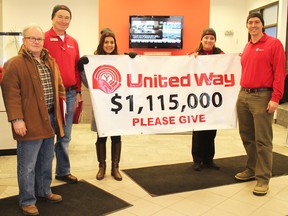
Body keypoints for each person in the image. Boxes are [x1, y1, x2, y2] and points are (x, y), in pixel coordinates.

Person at [1, 25, 65, 216]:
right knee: (27, 165)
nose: (36, 42)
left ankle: (44, 191)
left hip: (51, 119)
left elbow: (59, 86)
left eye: (40, 39)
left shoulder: (50, 62)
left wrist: (63, 109)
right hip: (29, 122)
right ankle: (27, 200)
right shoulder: (14, 64)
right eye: (32, 38)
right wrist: (17, 119)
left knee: (46, 160)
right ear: (24, 40)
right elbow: (10, 94)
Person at [235, 13, 286, 196]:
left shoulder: (274, 44)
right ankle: (251, 169)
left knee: (263, 140)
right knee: (247, 136)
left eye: (257, 22)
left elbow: (280, 73)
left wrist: (276, 97)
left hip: (262, 96)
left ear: (262, 26)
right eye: (250, 22)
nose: (253, 25)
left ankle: (263, 179)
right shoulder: (248, 46)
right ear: (246, 26)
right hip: (244, 95)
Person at [78, 28, 124, 181]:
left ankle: (115, 167)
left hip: (117, 105)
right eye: (106, 42)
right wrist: (82, 69)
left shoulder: (120, 60)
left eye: (112, 42)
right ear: (101, 43)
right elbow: (88, 82)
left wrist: (133, 61)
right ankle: (102, 166)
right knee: (101, 137)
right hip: (101, 106)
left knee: (116, 136)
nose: (109, 45)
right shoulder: (94, 60)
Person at [44, 5, 82, 184]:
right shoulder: (43, 38)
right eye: (60, 17)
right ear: (52, 18)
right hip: (50, 95)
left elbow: (76, 69)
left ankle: (63, 171)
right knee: (47, 136)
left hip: (70, 94)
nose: (63, 20)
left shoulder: (73, 42)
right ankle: (43, 176)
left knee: (65, 136)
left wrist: (79, 91)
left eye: (67, 18)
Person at [189, 28, 224, 171]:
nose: (209, 40)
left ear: (215, 41)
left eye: (212, 38)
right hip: (198, 98)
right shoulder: (195, 55)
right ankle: (197, 160)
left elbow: (230, 65)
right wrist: (190, 59)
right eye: (206, 38)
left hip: (213, 99)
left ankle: (209, 159)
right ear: (201, 40)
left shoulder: (220, 54)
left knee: (211, 131)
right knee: (198, 131)